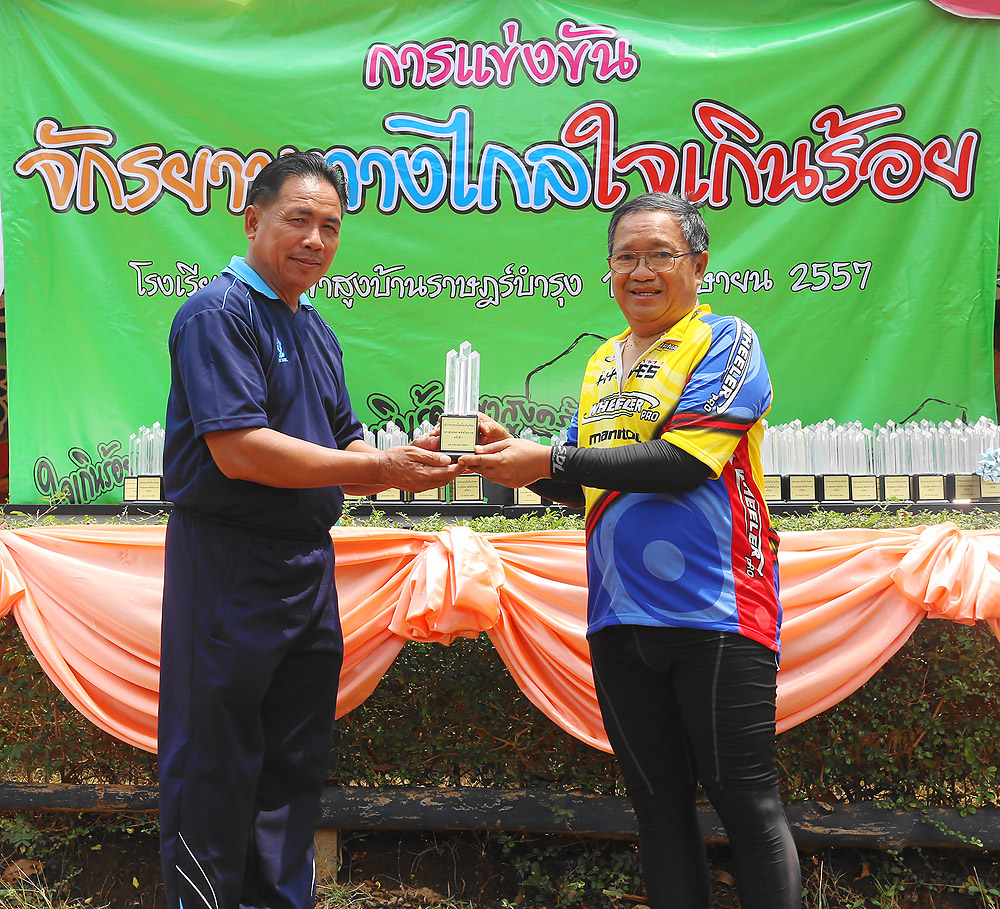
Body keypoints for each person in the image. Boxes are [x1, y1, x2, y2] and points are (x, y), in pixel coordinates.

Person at [460, 192, 801, 909]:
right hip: (618, 613)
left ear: (698, 265)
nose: (641, 271)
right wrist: (512, 460)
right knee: (657, 805)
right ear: (609, 272)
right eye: (626, 257)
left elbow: (684, 462)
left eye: (660, 255)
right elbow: (589, 487)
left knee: (745, 800)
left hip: (718, 610)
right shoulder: (602, 360)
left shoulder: (727, 339)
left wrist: (549, 457)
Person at [159, 151, 462, 909]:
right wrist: (376, 467)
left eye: (330, 226)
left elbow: (346, 441)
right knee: (214, 759)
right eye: (299, 219)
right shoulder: (218, 313)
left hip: (305, 566)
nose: (316, 240)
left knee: (292, 762)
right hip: (227, 563)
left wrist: (408, 461)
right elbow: (239, 449)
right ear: (253, 219)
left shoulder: (314, 326)